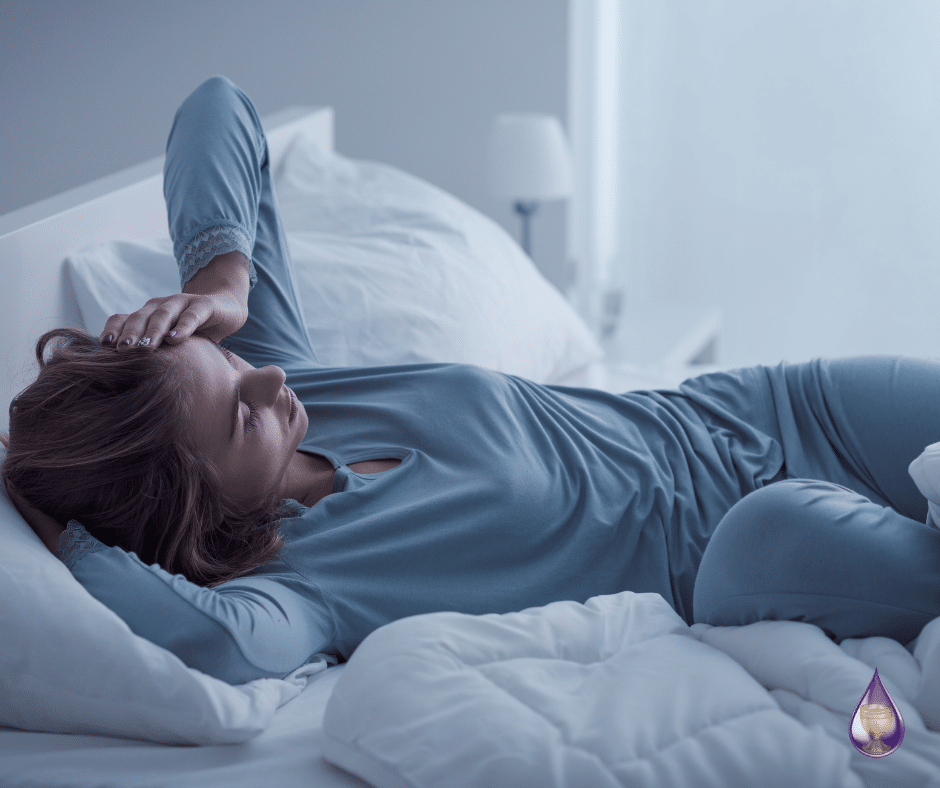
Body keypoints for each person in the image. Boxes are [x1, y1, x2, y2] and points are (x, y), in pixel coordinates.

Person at [3, 76, 940, 686]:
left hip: (776, 411)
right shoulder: (302, 590)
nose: (269, 379)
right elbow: (212, 642)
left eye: (235, 364)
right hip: (747, 553)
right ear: (192, 509)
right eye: (238, 419)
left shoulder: (302, 386)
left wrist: (221, 281)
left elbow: (219, 109)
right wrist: (68, 534)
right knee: (772, 531)